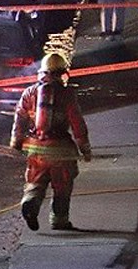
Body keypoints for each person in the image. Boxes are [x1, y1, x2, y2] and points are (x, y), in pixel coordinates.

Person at [10, 52, 92, 231]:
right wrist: (85, 149)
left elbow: (19, 120)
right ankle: (59, 220)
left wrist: (16, 143)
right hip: (61, 150)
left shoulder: (29, 93)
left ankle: (30, 202)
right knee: (62, 187)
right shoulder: (67, 95)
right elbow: (77, 123)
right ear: (61, 73)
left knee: (35, 183)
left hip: (35, 149)